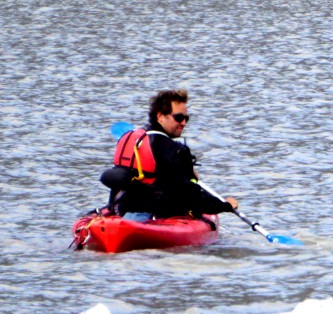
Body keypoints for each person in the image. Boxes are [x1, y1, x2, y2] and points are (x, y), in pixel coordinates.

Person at [99, 89, 238, 221]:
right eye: (178, 117)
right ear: (160, 116)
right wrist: (225, 205)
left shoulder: (135, 140)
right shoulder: (174, 150)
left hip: (121, 208)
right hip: (154, 215)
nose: (183, 123)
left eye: (186, 118)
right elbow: (192, 197)